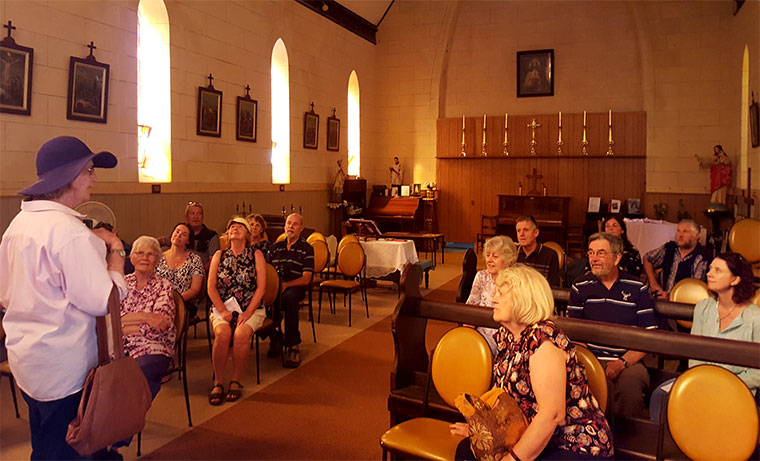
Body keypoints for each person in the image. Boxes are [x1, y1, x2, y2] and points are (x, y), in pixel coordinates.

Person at [0, 136, 127, 459]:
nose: (94, 179)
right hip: (65, 371)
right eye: (89, 171)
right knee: (69, 449)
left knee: (44, 444)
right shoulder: (68, 233)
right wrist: (115, 253)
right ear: (69, 176)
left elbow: (4, 295)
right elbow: (104, 300)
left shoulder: (18, 225)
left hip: (29, 363)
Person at [452, 265, 614, 460]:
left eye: (501, 294)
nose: (493, 299)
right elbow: (506, 400)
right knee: (466, 452)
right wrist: (484, 430)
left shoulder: (543, 341)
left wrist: (513, 459)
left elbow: (552, 415)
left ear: (523, 300)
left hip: (573, 443)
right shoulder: (508, 335)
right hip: (530, 434)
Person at [649, 252, 760, 421]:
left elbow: (756, 373)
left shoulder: (755, 317)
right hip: (702, 380)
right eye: (710, 269)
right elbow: (695, 353)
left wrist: (723, 384)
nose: (709, 273)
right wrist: (702, 380)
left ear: (735, 280)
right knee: (660, 395)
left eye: (718, 270)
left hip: (737, 386)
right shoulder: (703, 308)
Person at [568, 233, 657, 418]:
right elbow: (574, 333)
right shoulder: (580, 286)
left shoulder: (637, 287)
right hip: (591, 358)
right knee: (592, 384)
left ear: (617, 257)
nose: (594, 258)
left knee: (631, 387)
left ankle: (627, 442)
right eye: (591, 253)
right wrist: (592, 364)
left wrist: (622, 362)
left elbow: (649, 336)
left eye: (601, 253)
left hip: (627, 359)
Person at [207, 217, 266, 405]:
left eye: (240, 226)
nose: (235, 228)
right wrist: (223, 311)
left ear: (248, 234)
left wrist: (248, 313)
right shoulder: (219, 255)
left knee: (240, 335)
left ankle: (235, 380)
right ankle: (218, 381)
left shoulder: (255, 254)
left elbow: (261, 288)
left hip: (251, 308)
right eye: (232, 226)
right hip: (223, 307)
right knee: (223, 334)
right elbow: (211, 288)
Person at [121, 236, 176, 400]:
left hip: (153, 347)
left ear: (158, 261)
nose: (145, 257)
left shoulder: (163, 285)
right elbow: (110, 320)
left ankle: (131, 418)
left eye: (151, 254)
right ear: (132, 257)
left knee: (138, 373)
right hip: (119, 347)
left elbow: (159, 327)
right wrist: (146, 317)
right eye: (140, 253)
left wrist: (123, 326)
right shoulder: (121, 284)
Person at [267, 213, 314, 368]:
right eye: (288, 223)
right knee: (261, 299)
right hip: (275, 286)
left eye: (295, 224)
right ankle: (275, 335)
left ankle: (293, 345)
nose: (290, 226)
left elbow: (306, 278)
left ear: (301, 228)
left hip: (295, 287)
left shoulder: (307, 248)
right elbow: (266, 271)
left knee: (289, 298)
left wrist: (287, 285)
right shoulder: (275, 247)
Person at [466, 235, 518, 355]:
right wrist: (466, 337)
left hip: (504, 336)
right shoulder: (481, 276)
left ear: (508, 259)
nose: (489, 260)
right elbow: (470, 309)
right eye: (488, 255)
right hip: (480, 333)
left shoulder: (515, 280)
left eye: (495, 256)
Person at [643, 219, 711, 300]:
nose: (680, 235)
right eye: (678, 231)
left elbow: (695, 289)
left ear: (697, 236)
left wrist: (669, 296)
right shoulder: (669, 248)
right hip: (663, 301)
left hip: (687, 305)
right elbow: (647, 259)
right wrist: (653, 283)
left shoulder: (702, 257)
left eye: (685, 231)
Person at [155, 222, 204, 318]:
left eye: (184, 234)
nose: (179, 235)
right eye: (177, 232)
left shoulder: (195, 260)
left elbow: (195, 289)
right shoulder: (158, 257)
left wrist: (175, 299)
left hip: (184, 302)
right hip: (159, 300)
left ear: (188, 241)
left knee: (165, 312)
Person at [160, 202, 219, 272]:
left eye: (199, 214)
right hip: (177, 269)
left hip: (201, 272)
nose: (195, 217)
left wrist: (198, 270)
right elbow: (161, 241)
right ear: (186, 217)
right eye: (192, 213)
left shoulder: (211, 235)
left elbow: (213, 261)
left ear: (203, 217)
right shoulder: (180, 233)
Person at [515, 215, 560, 287]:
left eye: (526, 230)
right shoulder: (512, 253)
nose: (521, 234)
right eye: (518, 231)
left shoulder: (550, 255)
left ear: (536, 233)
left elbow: (553, 288)